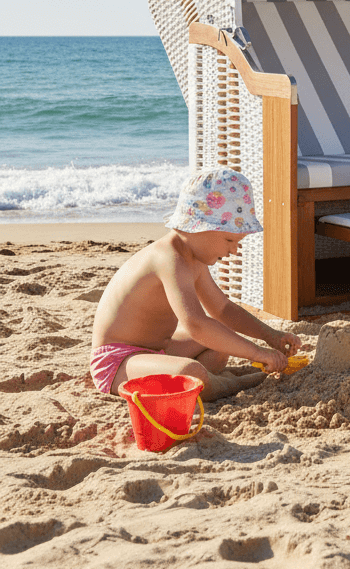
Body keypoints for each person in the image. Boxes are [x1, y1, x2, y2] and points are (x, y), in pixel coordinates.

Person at [90, 167, 302, 402]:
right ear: (199, 227)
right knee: (190, 373)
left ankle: (211, 381)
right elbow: (195, 324)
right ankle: (234, 384)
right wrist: (257, 353)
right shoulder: (168, 258)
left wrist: (269, 335)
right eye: (230, 239)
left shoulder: (194, 261)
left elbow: (223, 310)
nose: (234, 250)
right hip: (119, 362)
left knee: (223, 337)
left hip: (159, 351)